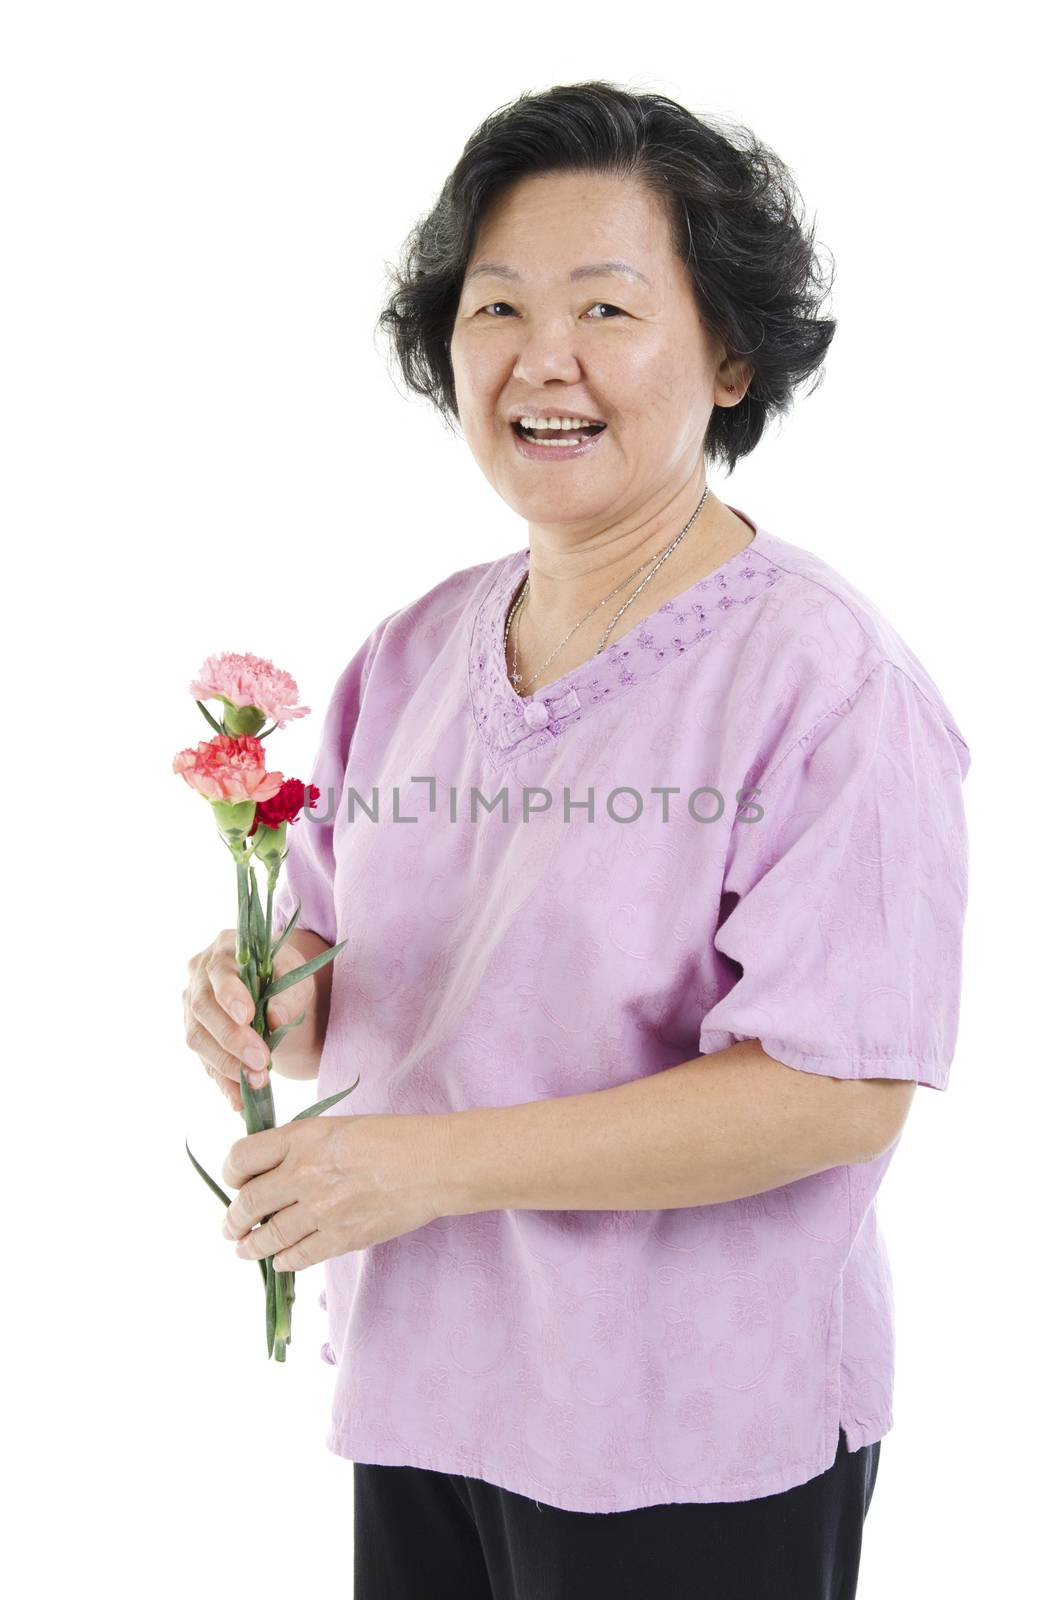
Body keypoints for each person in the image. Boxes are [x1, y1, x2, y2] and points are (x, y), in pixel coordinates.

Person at [183, 82, 970, 1599]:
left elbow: (834, 1092)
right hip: (432, 1387)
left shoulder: (823, 677)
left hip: (684, 1427)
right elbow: (355, 974)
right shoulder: (412, 654)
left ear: (730, 356)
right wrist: (261, 993)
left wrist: (424, 1169)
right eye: (498, 307)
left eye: (608, 307)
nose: (544, 359)